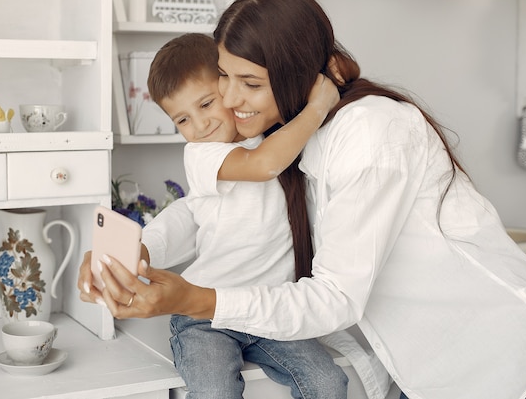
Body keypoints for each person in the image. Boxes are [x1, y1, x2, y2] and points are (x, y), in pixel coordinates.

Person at [80, 0, 526, 399]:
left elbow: (334, 296)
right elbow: (202, 209)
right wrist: (136, 250)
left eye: (248, 83)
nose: (228, 101)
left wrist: (198, 298)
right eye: (225, 77)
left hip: (512, 369)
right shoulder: (290, 137)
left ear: (298, 75)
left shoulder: (369, 132)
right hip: (432, 371)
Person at [94, 32, 348, 399]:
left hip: (269, 310)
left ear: (229, 87)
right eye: (182, 119)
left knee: (327, 383)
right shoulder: (202, 155)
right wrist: (317, 107)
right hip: (204, 315)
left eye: (206, 104)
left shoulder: (278, 135)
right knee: (214, 392)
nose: (198, 126)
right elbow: (263, 165)